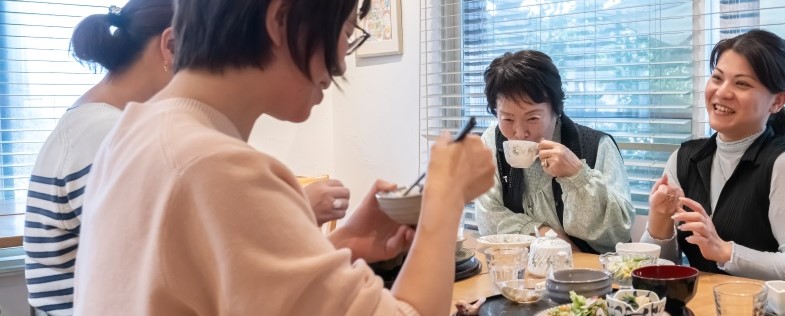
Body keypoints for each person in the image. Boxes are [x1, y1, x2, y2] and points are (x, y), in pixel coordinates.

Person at [72, 0, 495, 314]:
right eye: (345, 33)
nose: (343, 65)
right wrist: (446, 200)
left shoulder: (134, 133)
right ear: (281, 18)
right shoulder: (215, 167)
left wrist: (342, 246)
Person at [22, 2, 352, 314]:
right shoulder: (111, 136)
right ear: (171, 47)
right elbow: (157, 259)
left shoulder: (109, 128)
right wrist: (293, 207)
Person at [640, 29, 785, 282]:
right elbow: (659, 270)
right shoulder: (684, 159)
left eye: (742, 83)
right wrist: (660, 217)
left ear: (777, 102)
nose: (722, 92)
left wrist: (724, 251)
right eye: (717, 78)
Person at [475, 50, 635, 254]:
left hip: (591, 276)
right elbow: (489, 218)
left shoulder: (596, 146)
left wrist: (577, 175)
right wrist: (547, 236)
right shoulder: (491, 142)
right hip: (521, 273)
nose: (519, 132)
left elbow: (617, 233)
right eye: (507, 119)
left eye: (532, 118)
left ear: (556, 109)